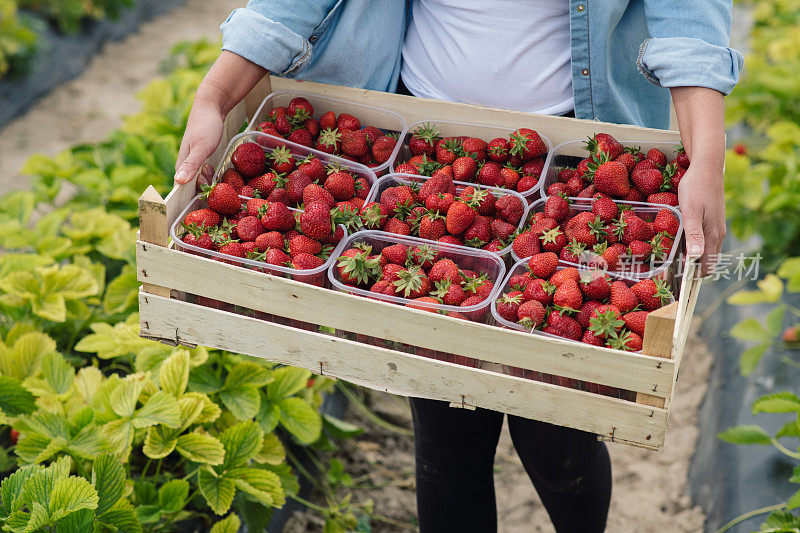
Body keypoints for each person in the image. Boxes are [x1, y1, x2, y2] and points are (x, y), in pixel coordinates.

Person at [174, 2, 742, 531]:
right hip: (421, 149)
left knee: (557, 432)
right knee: (447, 431)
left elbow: (688, 13)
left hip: (585, 164)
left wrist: (708, 156)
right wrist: (216, 95)